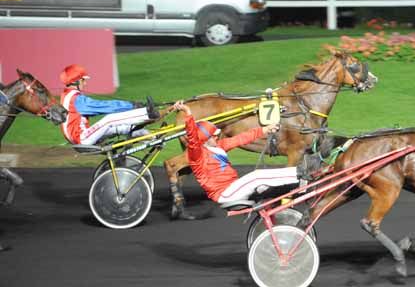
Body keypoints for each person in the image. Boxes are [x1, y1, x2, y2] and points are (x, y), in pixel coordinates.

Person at [171, 101, 299, 221]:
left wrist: (265, 129)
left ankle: (299, 180)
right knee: (256, 176)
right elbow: (193, 139)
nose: (217, 136)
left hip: (234, 188)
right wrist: (188, 113)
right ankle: (299, 173)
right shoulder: (197, 156)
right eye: (213, 135)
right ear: (205, 139)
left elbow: (242, 138)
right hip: (225, 194)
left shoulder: (220, 146)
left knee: (265, 184)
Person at [59, 64, 160, 146]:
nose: (85, 84)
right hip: (81, 138)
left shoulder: (67, 95)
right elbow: (104, 106)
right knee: (110, 119)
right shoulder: (75, 99)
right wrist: (131, 106)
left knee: (121, 128)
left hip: (80, 137)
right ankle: (147, 113)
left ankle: (153, 139)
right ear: (76, 81)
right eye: (83, 80)